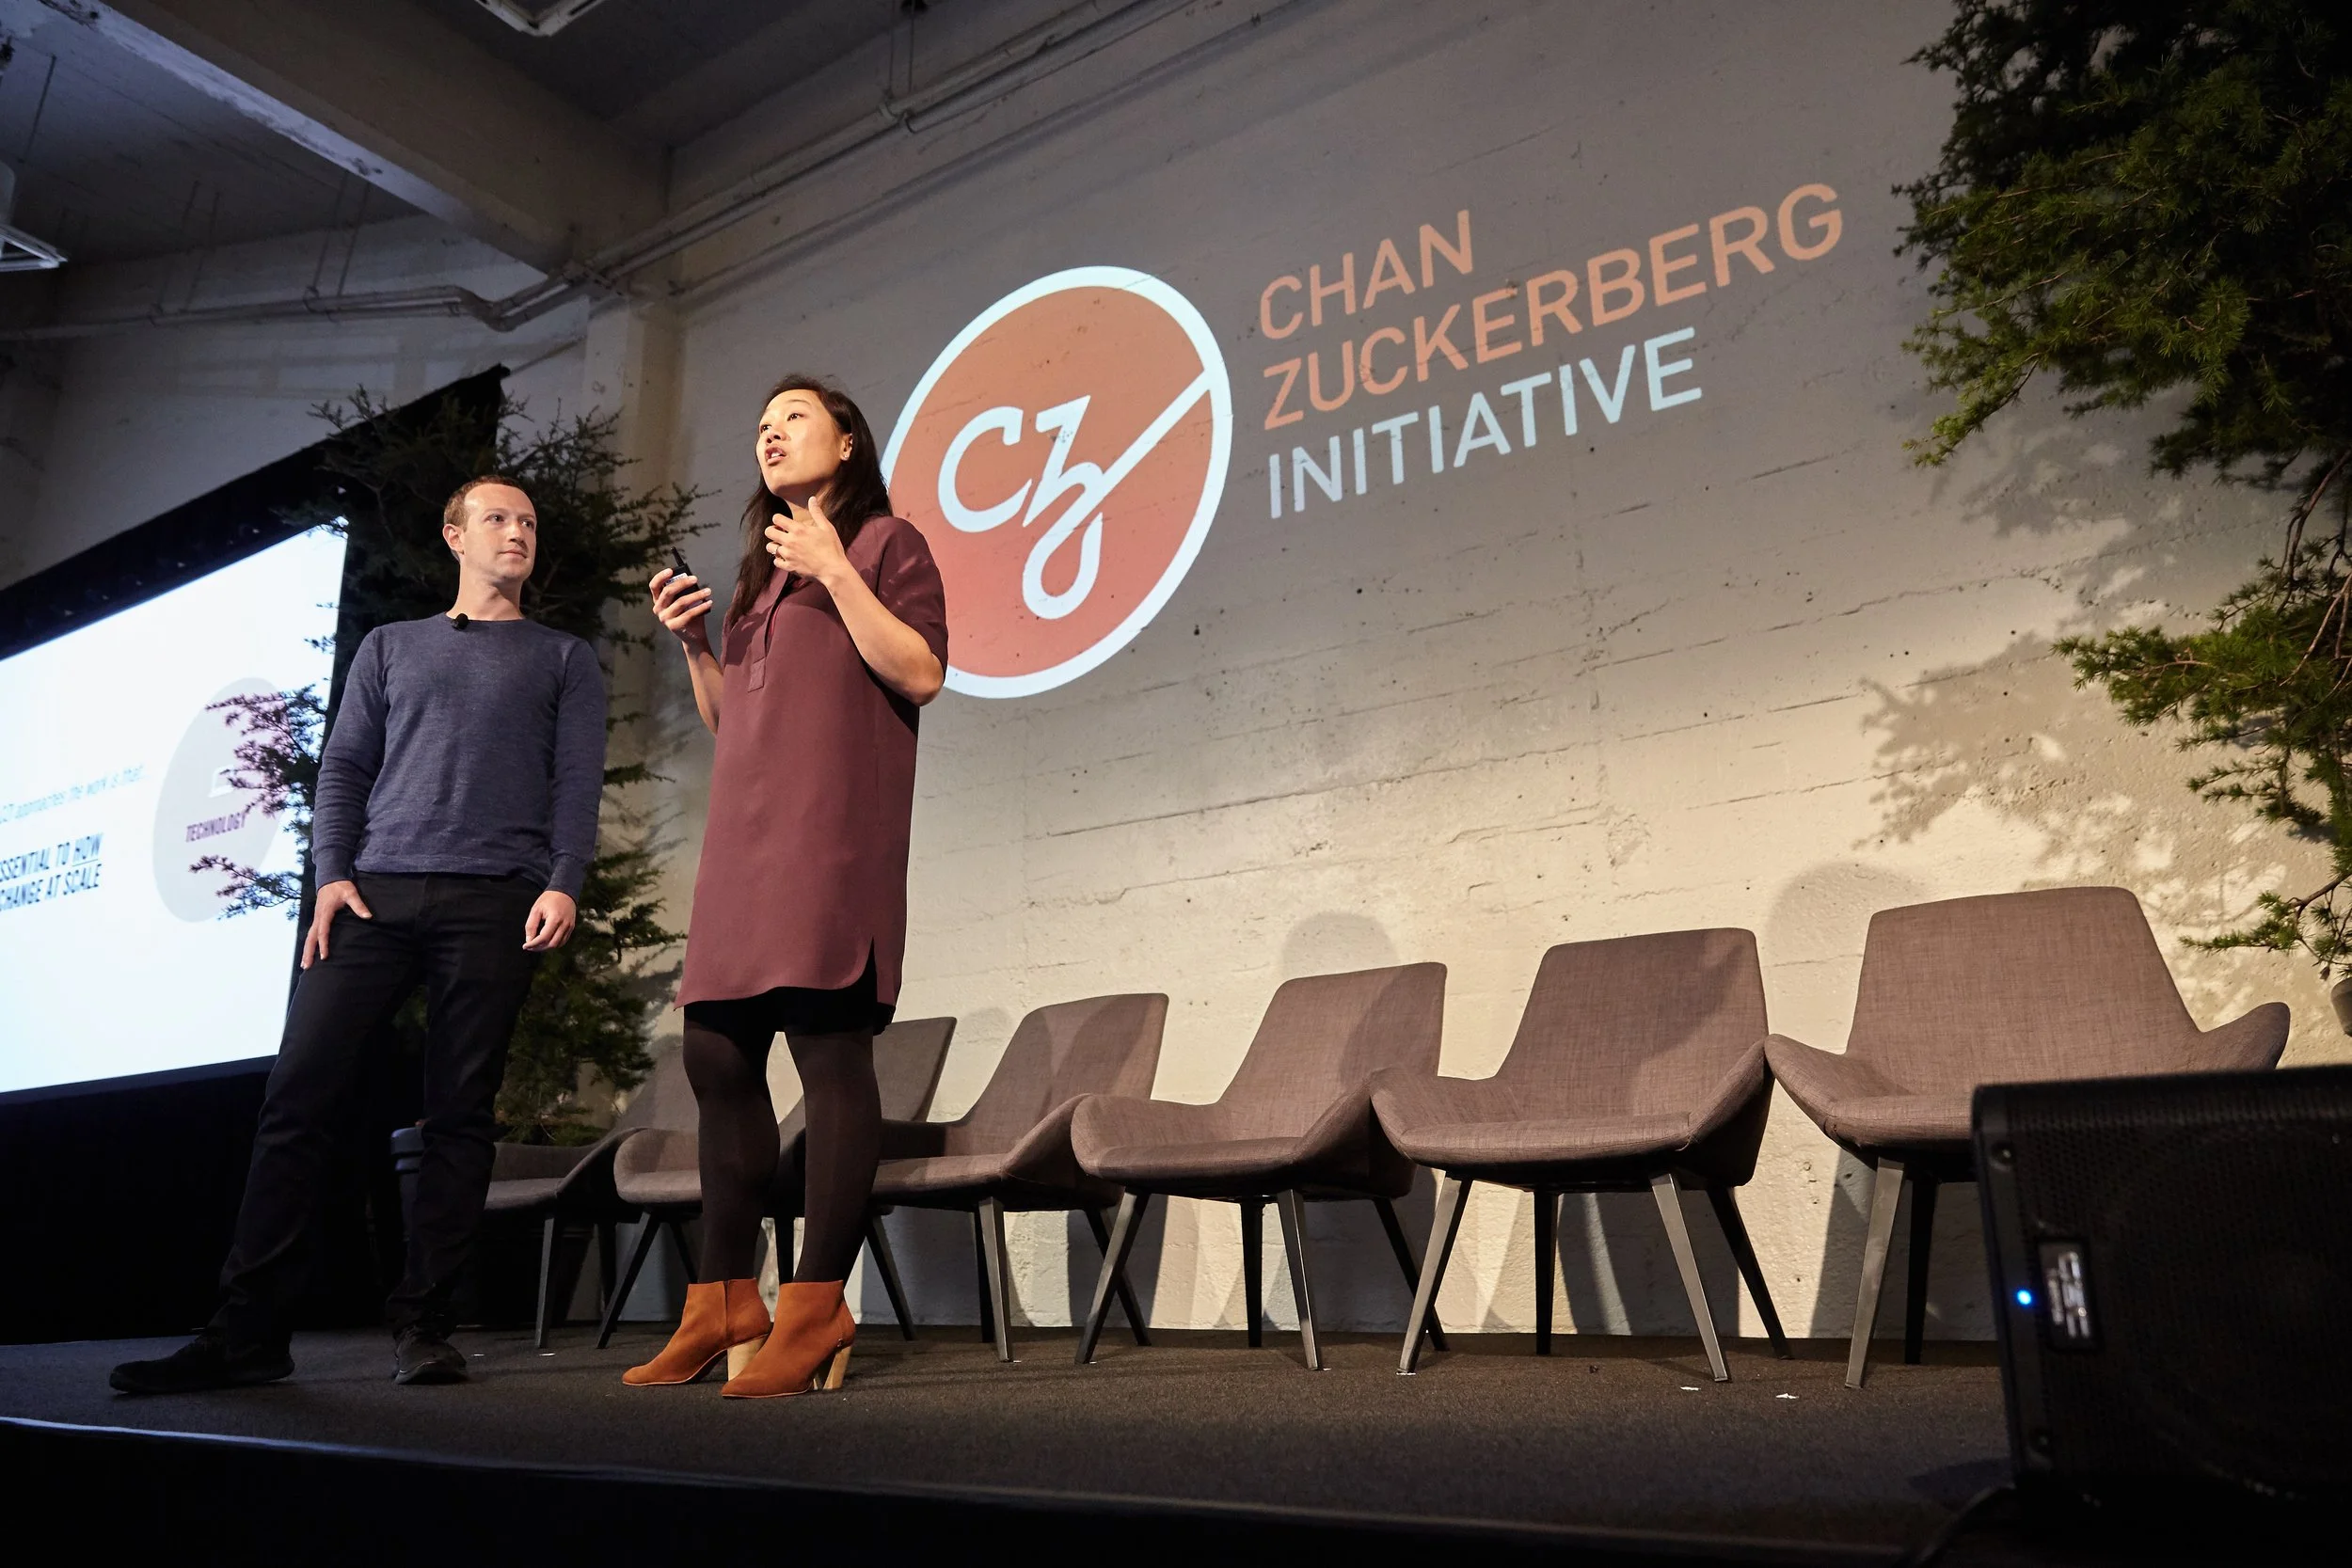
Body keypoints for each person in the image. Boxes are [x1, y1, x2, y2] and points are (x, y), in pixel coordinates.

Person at [111, 478, 607, 1394]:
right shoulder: (392, 646)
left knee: (459, 1113)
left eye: (530, 522)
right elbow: (343, 765)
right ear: (454, 534)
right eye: (498, 518)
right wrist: (331, 873)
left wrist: (562, 880)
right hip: (375, 894)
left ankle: (425, 1325)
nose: (517, 532)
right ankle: (247, 1332)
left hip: (495, 898)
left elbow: (577, 781)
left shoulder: (563, 657)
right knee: (297, 1095)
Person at [631, 374, 945, 1398]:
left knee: (826, 1045)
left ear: (848, 442)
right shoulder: (758, 577)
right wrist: (695, 645)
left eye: (794, 418)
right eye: (761, 425)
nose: (770, 434)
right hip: (745, 843)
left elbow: (921, 672)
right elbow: (733, 721)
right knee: (716, 1051)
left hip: (830, 834)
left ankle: (816, 1303)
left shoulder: (886, 543)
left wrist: (836, 569)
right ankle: (723, 1300)